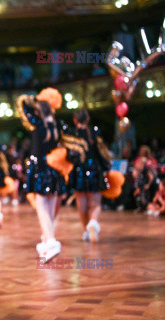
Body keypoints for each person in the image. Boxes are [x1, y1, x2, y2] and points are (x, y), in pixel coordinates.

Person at [16, 91, 64, 262]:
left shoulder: (37, 123)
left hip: (40, 167)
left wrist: (33, 99)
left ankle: (51, 241)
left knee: (41, 205)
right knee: (49, 206)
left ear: (38, 111)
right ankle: (46, 239)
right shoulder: (56, 125)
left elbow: (21, 104)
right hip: (53, 167)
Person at [66, 109, 111, 242]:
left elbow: (68, 154)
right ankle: (93, 223)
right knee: (95, 203)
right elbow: (101, 152)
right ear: (87, 119)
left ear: (75, 120)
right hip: (95, 169)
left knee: (82, 204)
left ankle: (86, 229)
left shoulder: (71, 133)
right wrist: (106, 167)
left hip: (78, 170)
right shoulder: (95, 132)